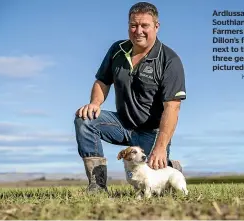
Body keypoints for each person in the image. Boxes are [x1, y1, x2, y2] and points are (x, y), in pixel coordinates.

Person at [74, 2, 187, 193]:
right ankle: (97, 186)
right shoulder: (117, 50)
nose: (138, 31)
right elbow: (102, 81)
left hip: (151, 132)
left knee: (155, 185)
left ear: (156, 27)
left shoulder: (170, 60)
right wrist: (95, 103)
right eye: (133, 25)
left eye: (145, 26)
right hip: (122, 124)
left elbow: (172, 108)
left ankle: (170, 167)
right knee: (85, 120)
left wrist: (160, 147)